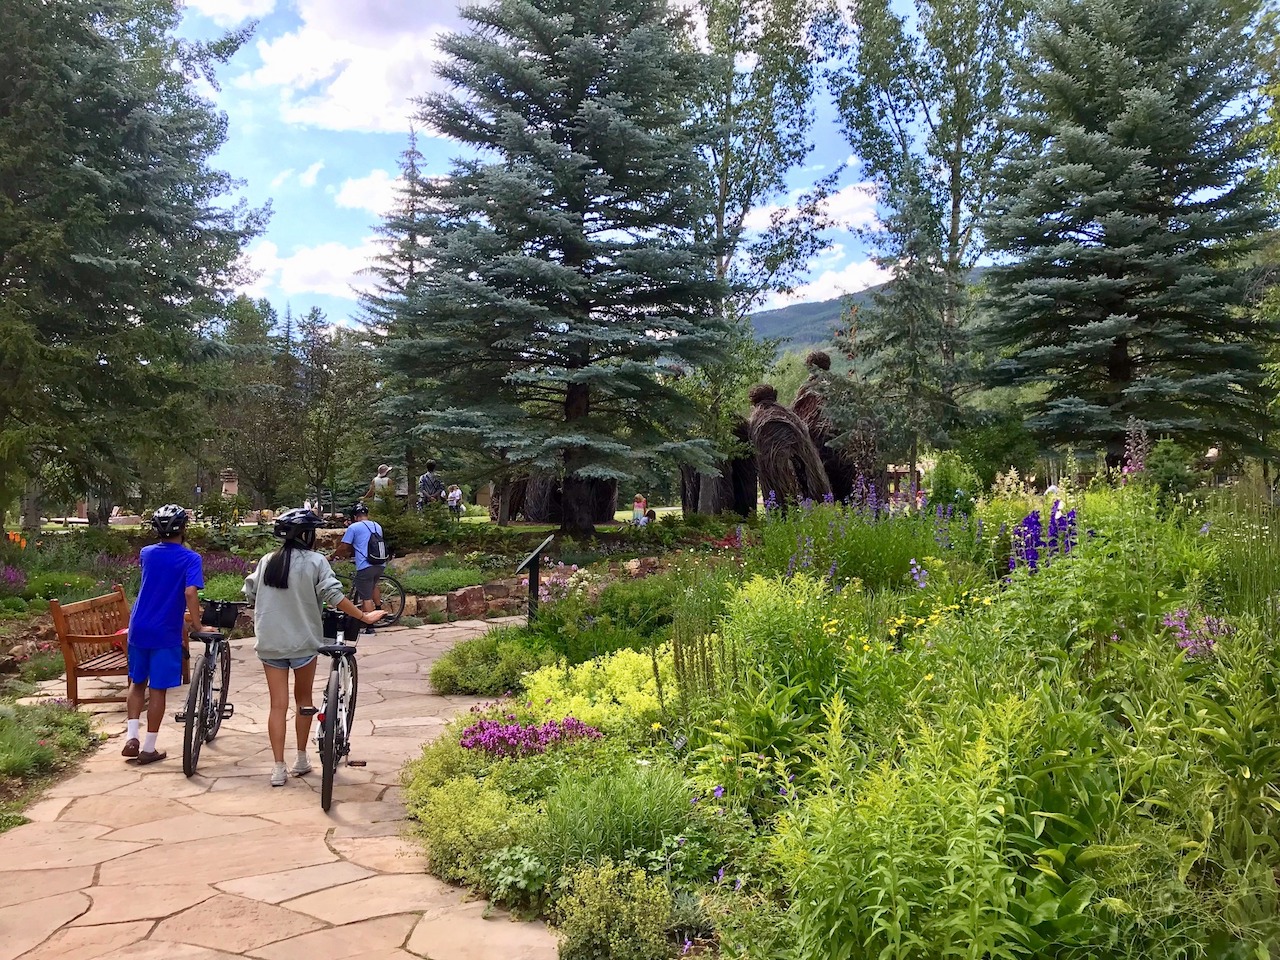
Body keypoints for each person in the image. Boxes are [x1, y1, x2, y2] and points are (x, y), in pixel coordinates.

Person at [243, 507, 384, 787]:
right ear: (306, 535)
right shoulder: (316, 562)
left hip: (271, 643)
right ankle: (301, 758)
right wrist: (363, 615)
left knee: (277, 705)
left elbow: (250, 592)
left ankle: (278, 768)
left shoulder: (268, 560)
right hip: (303, 642)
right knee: (303, 702)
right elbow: (333, 595)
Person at [123, 504, 214, 765]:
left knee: (137, 682)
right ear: (184, 529)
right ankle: (149, 747)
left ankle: (132, 737)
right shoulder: (190, 558)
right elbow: (189, 593)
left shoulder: (147, 553)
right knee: (158, 689)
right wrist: (197, 626)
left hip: (138, 625)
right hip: (165, 630)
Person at [331, 502, 385, 634]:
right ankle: (379, 610)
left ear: (355, 516)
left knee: (366, 596)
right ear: (366, 515)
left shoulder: (354, 527)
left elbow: (344, 546)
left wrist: (332, 556)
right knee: (373, 585)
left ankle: (370, 626)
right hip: (380, 563)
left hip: (365, 565)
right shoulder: (376, 525)